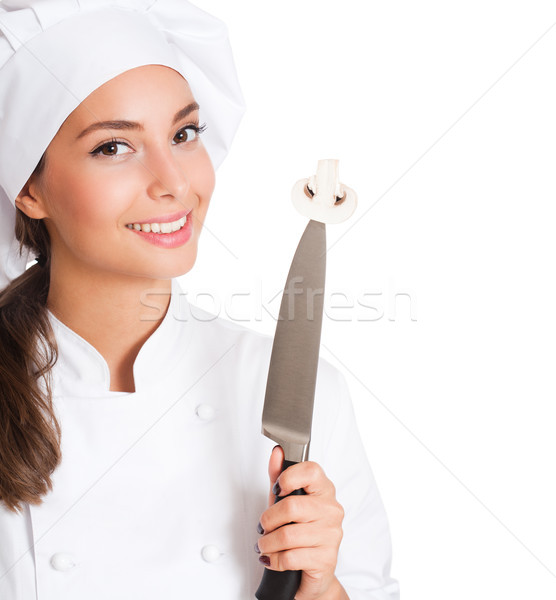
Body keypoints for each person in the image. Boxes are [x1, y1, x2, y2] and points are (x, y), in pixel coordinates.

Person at [0, 1, 400, 598]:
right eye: (114, 147)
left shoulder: (295, 389)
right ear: (29, 188)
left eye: (183, 134)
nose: (176, 181)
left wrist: (320, 587)